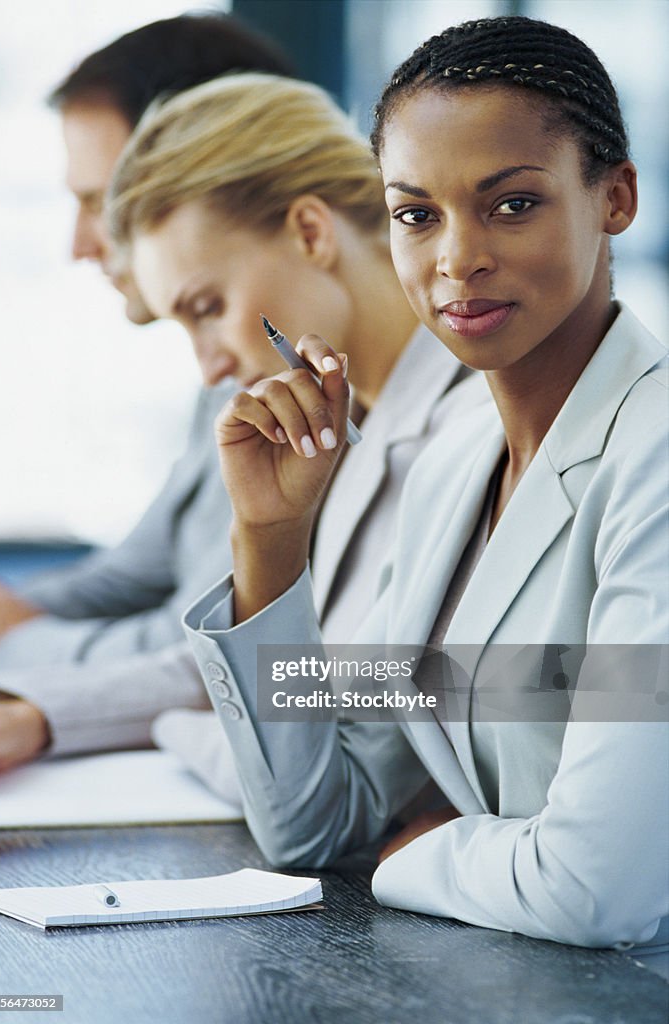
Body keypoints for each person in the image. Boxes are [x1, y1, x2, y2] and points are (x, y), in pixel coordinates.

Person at [178, 17, 669, 973]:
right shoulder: (454, 465)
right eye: (417, 214)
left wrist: (411, 857)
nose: (457, 259)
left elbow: (594, 885)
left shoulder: (655, 457)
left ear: (615, 198)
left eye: (513, 205)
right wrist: (271, 541)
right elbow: (316, 824)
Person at [104, 71, 487, 793]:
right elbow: (303, 701)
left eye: (208, 306)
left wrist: (186, 731)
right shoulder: (346, 431)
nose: (209, 364)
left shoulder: (477, 431)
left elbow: (312, 785)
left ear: (311, 231)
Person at [0, 13, 293, 773]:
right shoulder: (233, 356)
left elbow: (211, 653)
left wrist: (15, 644)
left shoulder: (302, 387)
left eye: (100, 201)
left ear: (197, 164)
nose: (81, 244)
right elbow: (139, 571)